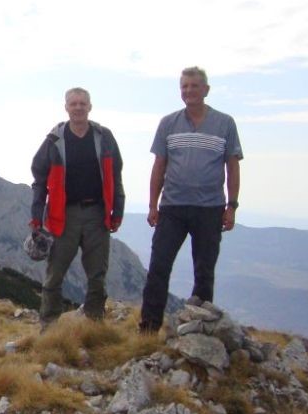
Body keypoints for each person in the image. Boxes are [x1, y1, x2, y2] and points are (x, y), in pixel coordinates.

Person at [139, 67, 243, 333]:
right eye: (184, 86)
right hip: (172, 207)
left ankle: (199, 329)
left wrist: (232, 206)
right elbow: (159, 165)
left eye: (194, 86)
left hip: (210, 208)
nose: (189, 91)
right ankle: (148, 328)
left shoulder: (225, 123)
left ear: (206, 90)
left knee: (204, 271)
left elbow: (232, 166)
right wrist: (152, 205)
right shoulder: (168, 123)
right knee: (159, 267)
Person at [30, 87, 125, 326]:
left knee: (97, 275)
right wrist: (36, 218)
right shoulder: (54, 140)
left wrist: (118, 210)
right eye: (74, 104)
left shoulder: (104, 137)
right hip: (63, 216)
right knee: (54, 275)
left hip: (97, 214)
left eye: (83, 103)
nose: (78, 108)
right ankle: (49, 327)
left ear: (90, 107)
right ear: (66, 108)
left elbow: (116, 175)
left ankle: (94, 323)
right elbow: (39, 179)